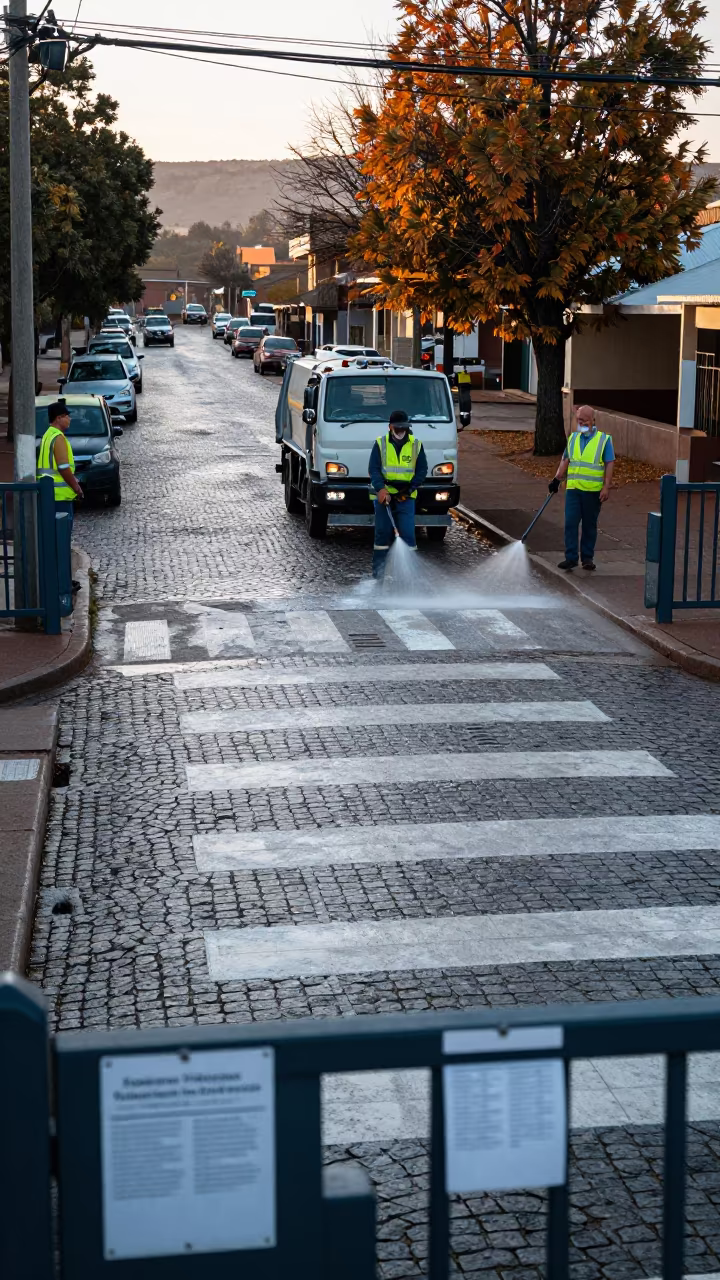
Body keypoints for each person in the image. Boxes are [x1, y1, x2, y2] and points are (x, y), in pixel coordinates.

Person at [549, 405, 614, 571]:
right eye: (578, 420)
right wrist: (556, 480)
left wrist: (606, 487)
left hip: (592, 492)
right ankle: (571, 558)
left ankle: (587, 558)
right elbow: (565, 460)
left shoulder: (604, 440)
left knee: (589, 525)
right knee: (570, 523)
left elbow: (609, 463)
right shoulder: (573, 439)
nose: (581, 423)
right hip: (574, 490)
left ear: (593, 420)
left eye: (584, 421)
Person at [369, 409, 428, 578]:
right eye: (398, 428)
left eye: (404, 428)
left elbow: (422, 470)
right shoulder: (380, 444)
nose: (401, 431)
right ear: (390, 427)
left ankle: (409, 575)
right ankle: (379, 575)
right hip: (384, 495)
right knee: (382, 535)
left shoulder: (416, 444)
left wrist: (409, 490)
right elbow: (373, 469)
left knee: (408, 535)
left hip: (406, 496)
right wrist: (381, 489)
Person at [37, 399, 83, 592]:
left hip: (49, 496)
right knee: (61, 542)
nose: (70, 419)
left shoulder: (47, 435)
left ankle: (59, 581)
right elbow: (64, 468)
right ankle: (62, 583)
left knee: (54, 542)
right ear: (59, 418)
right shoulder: (59, 438)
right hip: (60, 498)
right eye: (67, 416)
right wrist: (77, 488)